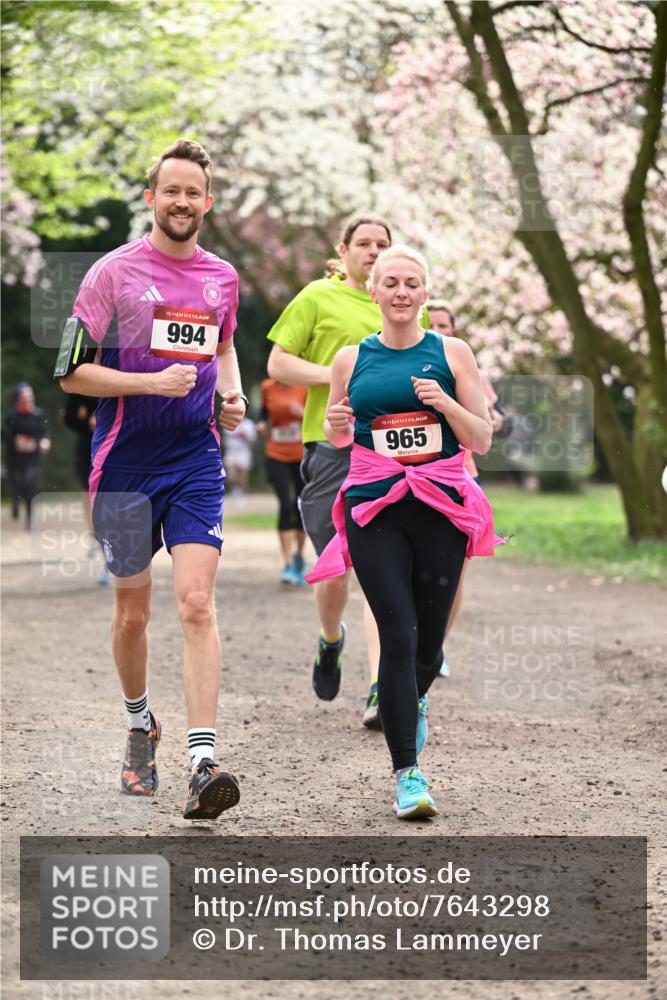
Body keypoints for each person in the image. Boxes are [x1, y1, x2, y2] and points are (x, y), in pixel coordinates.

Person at [58, 139, 247, 821]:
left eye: (193, 192)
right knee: (132, 613)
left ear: (207, 201)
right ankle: (140, 725)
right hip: (125, 463)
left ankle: (203, 763)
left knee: (196, 604)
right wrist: (148, 382)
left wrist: (232, 395)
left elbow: (223, 347)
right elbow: (71, 372)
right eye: (170, 190)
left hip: (195, 459)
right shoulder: (111, 274)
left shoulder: (221, 277)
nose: (182, 202)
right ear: (151, 198)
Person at [308, 246, 500, 819]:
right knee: (397, 631)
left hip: (440, 505)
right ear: (373, 291)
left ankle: (409, 700)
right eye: (389, 282)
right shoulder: (351, 359)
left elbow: (482, 438)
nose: (399, 291)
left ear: (424, 292)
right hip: (375, 506)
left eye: (411, 283)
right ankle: (407, 775)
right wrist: (336, 424)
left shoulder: (451, 351)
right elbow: (339, 435)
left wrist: (443, 402)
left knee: (429, 645)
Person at [267, 213, 428, 727]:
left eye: (384, 243)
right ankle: (330, 640)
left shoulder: (398, 301)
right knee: (337, 569)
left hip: (392, 452)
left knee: (387, 573)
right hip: (332, 448)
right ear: (344, 249)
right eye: (365, 243)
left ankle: (384, 688)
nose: (375, 251)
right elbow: (278, 364)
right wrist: (342, 374)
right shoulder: (319, 297)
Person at [428, 300, 505, 673]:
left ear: (454, 330)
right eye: (433, 323)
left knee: (452, 573)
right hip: (418, 475)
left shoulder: (463, 362)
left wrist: (487, 421)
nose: (439, 330)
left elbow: (492, 417)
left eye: (445, 325)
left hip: (463, 473)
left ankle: (436, 644)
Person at [257, 378, 308, 585]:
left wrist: (303, 414)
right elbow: (264, 412)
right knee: (285, 506)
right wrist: (261, 423)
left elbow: (319, 418)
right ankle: (287, 563)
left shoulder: (306, 386)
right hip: (276, 453)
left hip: (302, 454)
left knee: (300, 506)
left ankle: (299, 557)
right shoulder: (267, 387)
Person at [60, 392, 111, 585]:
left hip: (121, 446)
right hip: (88, 448)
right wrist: (87, 423)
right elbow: (68, 417)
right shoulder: (82, 380)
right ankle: (97, 538)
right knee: (91, 495)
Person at [2, 383, 50, 529]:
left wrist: (45, 441)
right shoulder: (11, 416)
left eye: (30, 398)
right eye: (24, 398)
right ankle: (15, 502)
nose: (28, 401)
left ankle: (29, 520)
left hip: (33, 458)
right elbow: (4, 435)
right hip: (14, 458)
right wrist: (15, 441)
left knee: (30, 484)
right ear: (17, 399)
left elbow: (44, 432)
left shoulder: (38, 414)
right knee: (17, 484)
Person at [222, 416, 257, 504]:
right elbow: (225, 440)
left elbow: (253, 442)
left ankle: (241, 495)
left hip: (244, 452)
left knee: (243, 478)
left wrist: (245, 436)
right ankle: (235, 491)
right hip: (232, 452)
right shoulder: (228, 422)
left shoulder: (249, 424)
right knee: (230, 476)